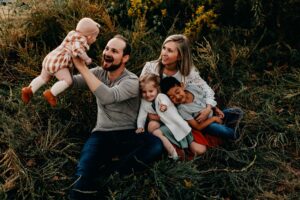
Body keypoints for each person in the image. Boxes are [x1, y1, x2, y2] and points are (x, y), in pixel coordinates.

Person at [69, 35, 163, 199]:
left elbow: (109, 96)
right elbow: (72, 82)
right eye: (106, 48)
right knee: (83, 170)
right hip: (101, 133)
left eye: (114, 51)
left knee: (155, 145)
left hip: (128, 133)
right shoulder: (98, 73)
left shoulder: (132, 80)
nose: (107, 53)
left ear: (125, 58)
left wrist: (82, 68)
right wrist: (60, 64)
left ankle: (113, 172)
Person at [21, 17, 100, 107]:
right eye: (95, 37)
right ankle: (51, 93)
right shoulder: (81, 39)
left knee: (43, 78)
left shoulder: (72, 33)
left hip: (50, 58)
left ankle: (29, 90)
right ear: (89, 36)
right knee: (67, 81)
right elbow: (78, 50)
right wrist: (86, 58)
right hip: (59, 62)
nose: (95, 39)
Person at [140, 34, 217, 123]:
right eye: (164, 48)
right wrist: (147, 114)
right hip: (154, 113)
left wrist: (208, 109)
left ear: (180, 56)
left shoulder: (188, 72)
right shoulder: (151, 67)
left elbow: (207, 90)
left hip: (180, 115)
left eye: (170, 51)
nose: (164, 53)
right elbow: (140, 90)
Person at [136, 74, 206, 160]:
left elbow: (164, 101)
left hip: (174, 124)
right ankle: (173, 152)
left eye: (151, 91)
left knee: (200, 150)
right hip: (164, 125)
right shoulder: (144, 102)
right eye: (144, 92)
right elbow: (141, 116)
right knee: (153, 128)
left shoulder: (161, 96)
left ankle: (182, 149)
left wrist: (164, 106)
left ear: (157, 89)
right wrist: (140, 126)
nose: (148, 95)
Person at [160, 76, 244, 140]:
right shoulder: (182, 109)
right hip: (207, 125)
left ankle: (228, 125)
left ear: (182, 86)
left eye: (177, 92)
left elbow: (207, 99)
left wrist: (216, 109)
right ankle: (238, 135)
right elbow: (197, 127)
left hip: (214, 113)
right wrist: (213, 119)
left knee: (237, 112)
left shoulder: (192, 88)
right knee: (222, 130)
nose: (177, 97)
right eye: (172, 97)